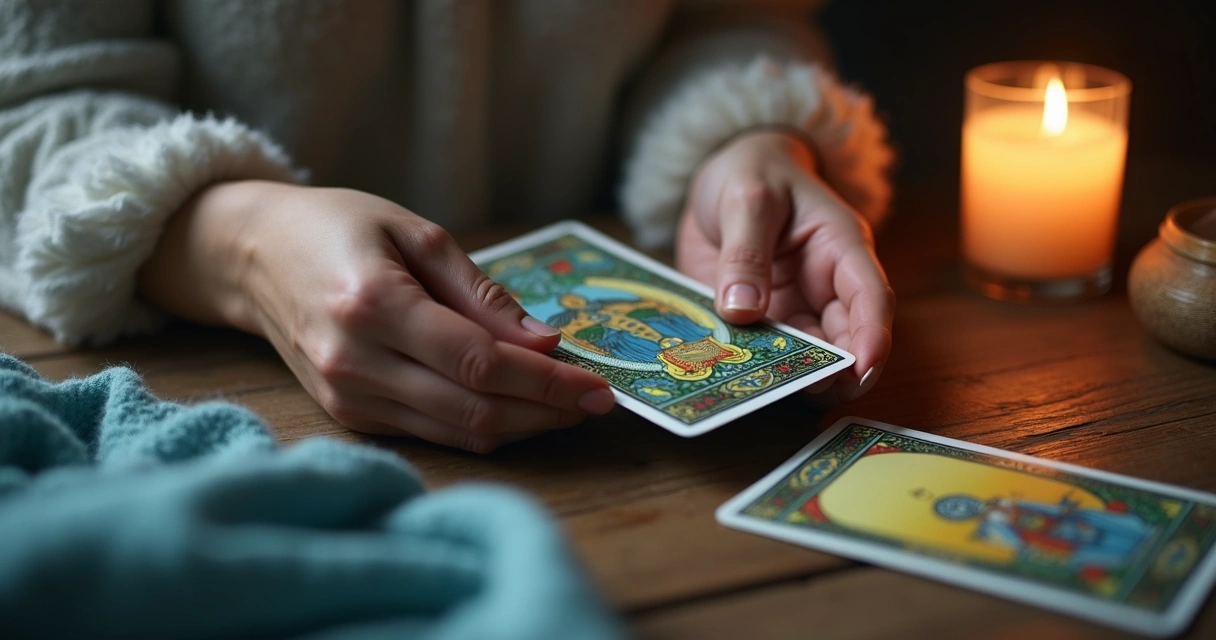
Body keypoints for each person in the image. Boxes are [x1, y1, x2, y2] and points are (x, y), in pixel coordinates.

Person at [0, 0, 895, 453]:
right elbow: (29, 114)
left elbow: (732, 20)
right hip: (224, 398)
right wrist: (244, 243)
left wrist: (748, 139)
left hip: (620, 452)